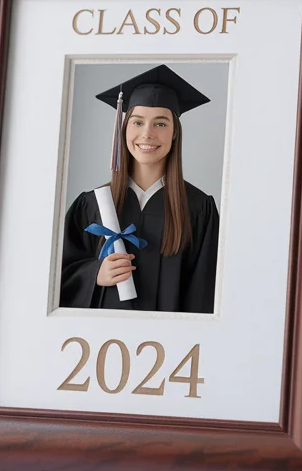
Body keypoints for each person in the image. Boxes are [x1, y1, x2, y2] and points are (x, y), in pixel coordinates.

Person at [59, 65, 220, 314]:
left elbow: (206, 291)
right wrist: (94, 274)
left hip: (171, 347)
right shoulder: (91, 205)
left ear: (175, 132)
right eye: (137, 122)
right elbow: (56, 276)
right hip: (99, 341)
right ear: (123, 129)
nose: (147, 133)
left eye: (161, 124)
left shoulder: (199, 208)